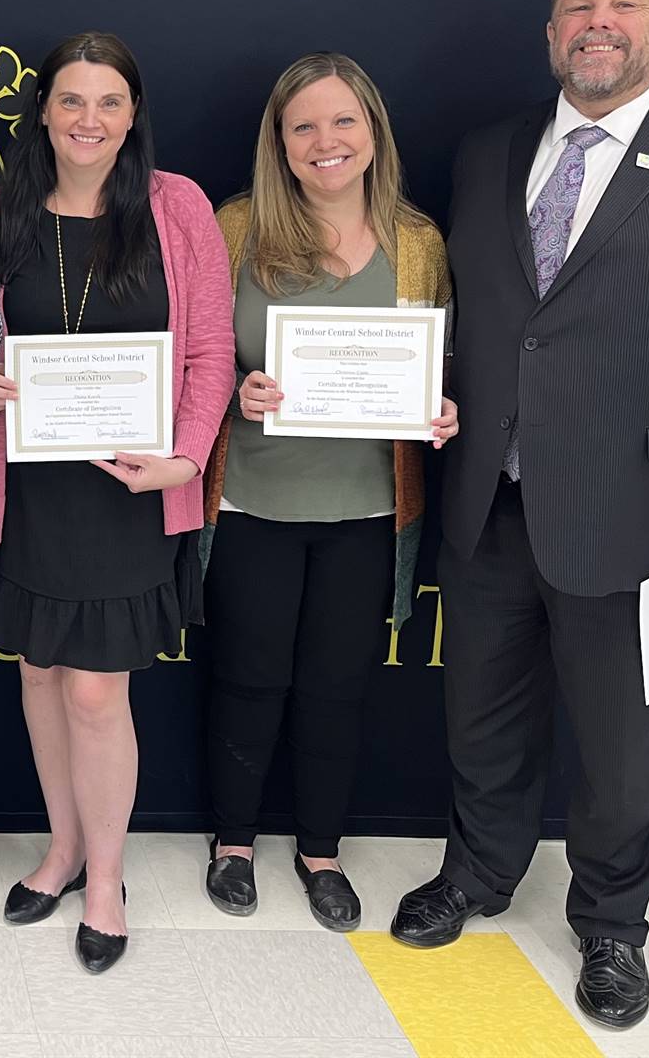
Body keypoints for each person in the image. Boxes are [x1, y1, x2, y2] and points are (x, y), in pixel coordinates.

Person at [392, 0, 649, 1029]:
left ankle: (615, 920)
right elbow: (486, 322)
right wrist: (442, 396)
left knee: (630, 740)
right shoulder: (486, 152)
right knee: (483, 714)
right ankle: (478, 871)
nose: (596, 23)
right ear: (551, 34)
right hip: (490, 499)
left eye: (623, 6)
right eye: (576, 9)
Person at [0, 32, 234, 973]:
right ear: (43, 110)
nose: (89, 119)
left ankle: (107, 878)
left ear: (133, 115)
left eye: (109, 102)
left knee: (93, 691)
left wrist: (187, 459)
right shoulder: (1, 211)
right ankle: (63, 848)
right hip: (30, 488)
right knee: (38, 675)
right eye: (71, 100)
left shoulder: (178, 208)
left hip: (129, 495)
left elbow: (209, 354)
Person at [199, 53, 457, 931]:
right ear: (279, 141)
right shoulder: (233, 228)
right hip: (251, 502)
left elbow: (442, 364)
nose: (326, 141)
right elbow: (198, 351)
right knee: (248, 677)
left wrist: (443, 407)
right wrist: (237, 390)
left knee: (339, 686)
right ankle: (233, 843)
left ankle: (321, 852)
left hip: (369, 511)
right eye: (304, 125)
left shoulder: (419, 243)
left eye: (344, 121)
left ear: (374, 131)